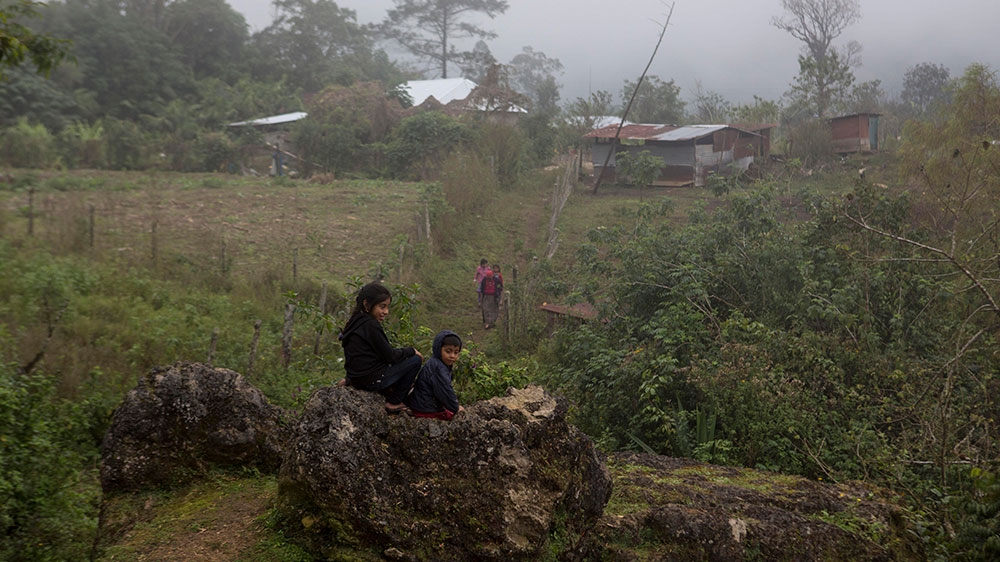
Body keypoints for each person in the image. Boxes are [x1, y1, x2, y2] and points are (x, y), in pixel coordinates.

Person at [339, 282, 423, 414]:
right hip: (371, 380)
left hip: (357, 379)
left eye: (387, 307)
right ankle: (394, 402)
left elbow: (357, 355)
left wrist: (350, 379)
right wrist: (411, 351)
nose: (386, 312)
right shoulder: (371, 325)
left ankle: (386, 388)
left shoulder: (354, 321)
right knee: (414, 361)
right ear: (367, 305)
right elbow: (390, 356)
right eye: (382, 307)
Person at [406, 330, 464, 420]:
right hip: (425, 409)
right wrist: (456, 408)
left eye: (456, 352)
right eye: (448, 351)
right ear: (438, 349)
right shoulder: (438, 368)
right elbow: (445, 391)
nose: (452, 356)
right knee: (455, 416)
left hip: (422, 404)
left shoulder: (437, 363)